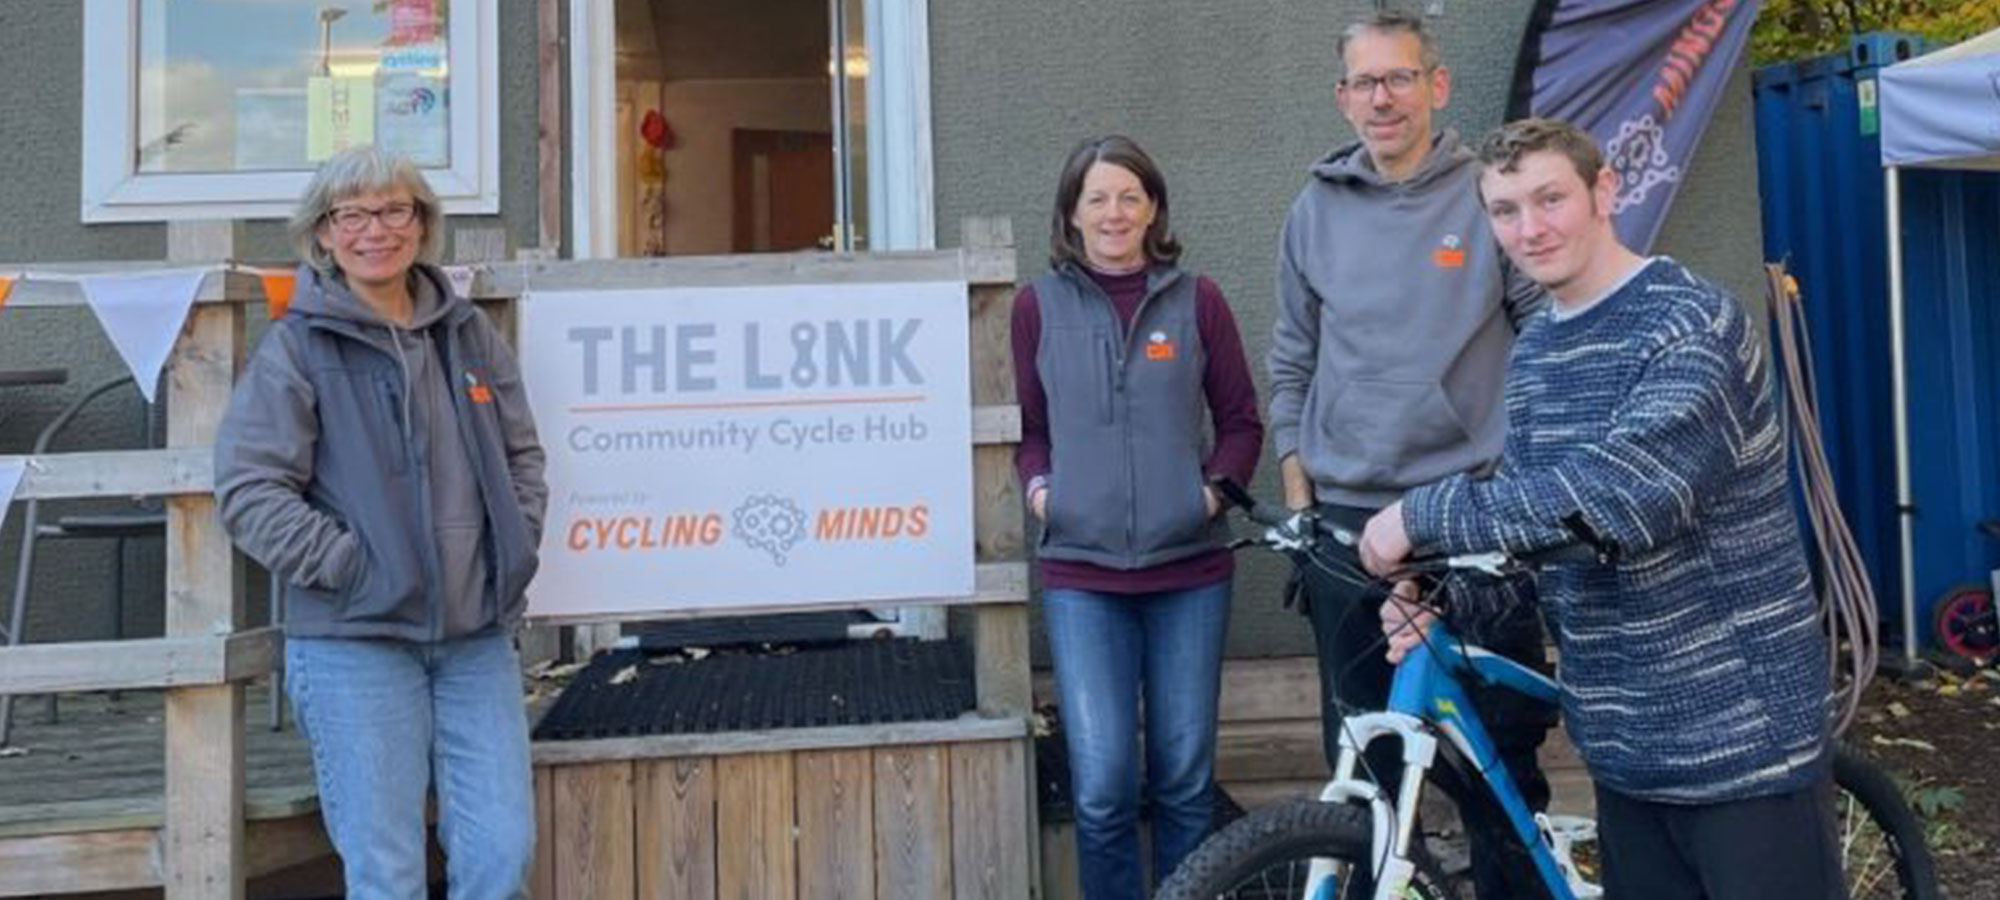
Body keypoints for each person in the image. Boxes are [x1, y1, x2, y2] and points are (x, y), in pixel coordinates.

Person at [1360, 117, 1841, 899]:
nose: (1530, 228)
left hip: (1743, 745)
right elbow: (1534, 546)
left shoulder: (1692, 324)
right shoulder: (1537, 351)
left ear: (1605, 190)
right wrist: (1440, 595)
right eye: (1506, 209)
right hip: (1623, 753)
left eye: (1550, 199)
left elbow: (1623, 501)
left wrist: (1420, 517)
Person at [1264, 8, 1551, 895]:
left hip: (1472, 520)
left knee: (1498, 764)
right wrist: (1302, 501)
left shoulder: (1487, 197)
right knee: (1368, 769)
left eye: (1399, 77)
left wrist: (1525, 480)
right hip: (1347, 530)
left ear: (1437, 85)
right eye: (1365, 82)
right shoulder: (1314, 211)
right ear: (1342, 97)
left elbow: (1543, 337)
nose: (1381, 98)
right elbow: (1291, 364)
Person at [215, 145, 548, 899]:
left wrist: (513, 544)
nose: (377, 229)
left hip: (475, 639)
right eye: (353, 214)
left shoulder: (467, 335)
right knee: (387, 873)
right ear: (323, 233)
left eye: (396, 209)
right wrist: (351, 567)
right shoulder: (298, 348)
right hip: (355, 644)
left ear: (422, 223)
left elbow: (522, 456)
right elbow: (249, 489)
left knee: (502, 854)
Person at [1014, 134, 1263, 899]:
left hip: (1190, 574)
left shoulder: (1199, 301)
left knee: (1185, 783)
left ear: (1153, 208)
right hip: (1082, 577)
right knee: (1102, 788)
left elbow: (1241, 422)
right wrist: (1044, 494)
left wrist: (1209, 495)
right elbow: (1028, 429)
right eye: (1098, 198)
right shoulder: (1037, 306)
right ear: (1072, 213)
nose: (1114, 213)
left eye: (1130, 196)